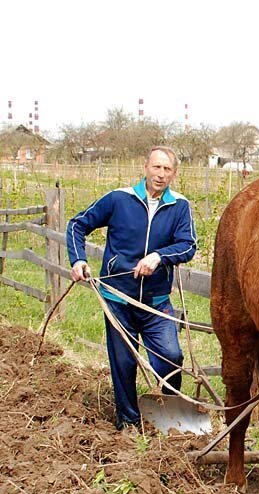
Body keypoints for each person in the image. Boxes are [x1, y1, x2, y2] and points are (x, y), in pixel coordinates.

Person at [66, 146, 197, 430]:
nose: (161, 175)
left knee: (171, 358)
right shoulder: (118, 199)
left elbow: (189, 245)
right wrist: (78, 260)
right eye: (156, 167)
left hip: (156, 302)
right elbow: (77, 225)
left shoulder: (179, 206)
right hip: (118, 299)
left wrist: (159, 257)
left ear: (174, 173)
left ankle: (168, 417)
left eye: (167, 170)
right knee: (124, 364)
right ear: (146, 167)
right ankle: (128, 422)